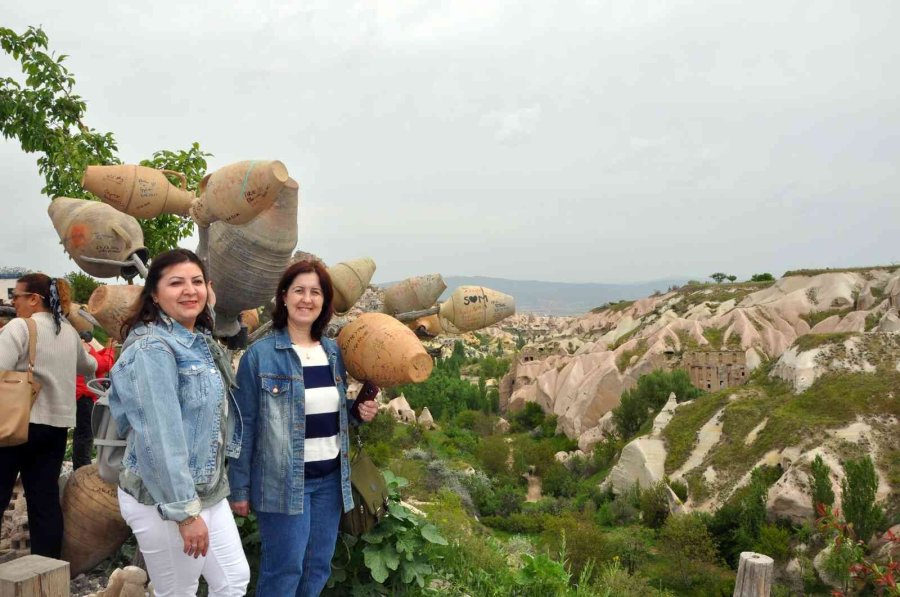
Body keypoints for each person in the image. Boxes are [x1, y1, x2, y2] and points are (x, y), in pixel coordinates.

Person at [228, 260, 379, 596]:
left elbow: (332, 418)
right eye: (299, 290)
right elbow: (244, 424)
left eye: (315, 292)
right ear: (283, 296)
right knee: (284, 571)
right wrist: (239, 488)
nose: (306, 299)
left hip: (330, 483)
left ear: (324, 301)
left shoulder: (333, 353)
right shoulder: (261, 356)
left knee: (316, 569)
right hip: (283, 483)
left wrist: (359, 412)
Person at [108, 249, 249, 596]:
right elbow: (160, 440)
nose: (190, 290)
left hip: (206, 489)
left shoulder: (196, 340)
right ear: (154, 294)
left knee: (232, 581)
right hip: (164, 496)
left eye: (197, 282)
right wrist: (185, 515)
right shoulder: (152, 350)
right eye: (176, 283)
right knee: (178, 591)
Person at [0, 274, 97, 558]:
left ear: (34, 299)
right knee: (44, 501)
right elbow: (88, 365)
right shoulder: (67, 331)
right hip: (55, 428)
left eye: (16, 296)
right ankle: (48, 568)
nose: (12, 301)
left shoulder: (21, 327)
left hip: (16, 422)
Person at [72, 330, 115, 470]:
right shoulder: (85, 349)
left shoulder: (77, 347)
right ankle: (82, 467)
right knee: (85, 436)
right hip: (84, 396)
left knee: (82, 435)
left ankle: (80, 465)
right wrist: (110, 349)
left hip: (78, 395)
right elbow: (104, 365)